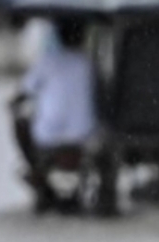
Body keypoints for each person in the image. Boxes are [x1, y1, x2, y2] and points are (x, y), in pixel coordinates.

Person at [10, 18, 97, 213]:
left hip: (48, 138)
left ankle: (35, 168)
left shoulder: (47, 61)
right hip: (84, 137)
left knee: (19, 121)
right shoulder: (89, 64)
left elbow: (21, 95)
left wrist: (14, 102)